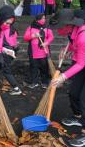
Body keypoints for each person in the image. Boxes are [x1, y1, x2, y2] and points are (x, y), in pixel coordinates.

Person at [50, 9, 85, 147]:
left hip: (82, 63)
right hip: (80, 63)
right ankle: (78, 117)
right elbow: (72, 43)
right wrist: (66, 50)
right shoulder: (74, 31)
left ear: (68, 25)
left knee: (84, 99)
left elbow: (82, 62)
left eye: (59, 27)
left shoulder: (83, 36)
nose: (57, 30)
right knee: (74, 93)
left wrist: (62, 77)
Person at [24, 13, 54, 89]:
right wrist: (33, 36)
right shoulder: (31, 27)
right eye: (43, 18)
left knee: (44, 67)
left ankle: (44, 82)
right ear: (38, 19)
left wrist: (46, 43)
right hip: (33, 51)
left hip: (44, 51)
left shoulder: (47, 27)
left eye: (44, 18)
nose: (44, 20)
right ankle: (34, 82)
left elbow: (51, 37)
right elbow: (25, 37)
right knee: (33, 67)